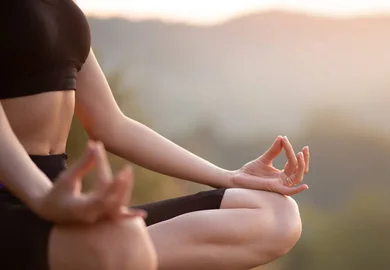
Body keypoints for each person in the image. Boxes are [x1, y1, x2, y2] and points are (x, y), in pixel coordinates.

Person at [0, 0, 311, 269]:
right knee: (120, 245)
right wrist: (43, 199)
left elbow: (111, 125)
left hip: (60, 197)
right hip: (14, 203)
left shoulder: (62, 8)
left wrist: (228, 177)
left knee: (277, 216)